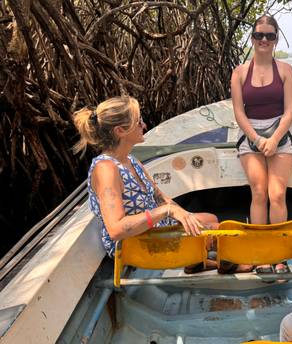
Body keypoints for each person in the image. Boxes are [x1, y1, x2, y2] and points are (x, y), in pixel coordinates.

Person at [73, 96, 228, 273]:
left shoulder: (131, 160)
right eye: (138, 121)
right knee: (217, 232)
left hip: (153, 231)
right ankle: (223, 261)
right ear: (120, 131)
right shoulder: (106, 169)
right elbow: (116, 229)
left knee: (209, 219)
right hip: (136, 244)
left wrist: (183, 215)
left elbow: (161, 198)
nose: (144, 125)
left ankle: (194, 262)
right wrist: (166, 211)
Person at [231, 15, 292, 274]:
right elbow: (239, 112)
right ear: (252, 38)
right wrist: (258, 140)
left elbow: (290, 111)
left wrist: (273, 139)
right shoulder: (239, 73)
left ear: (276, 39)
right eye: (259, 35)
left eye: (269, 36)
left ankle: (278, 254)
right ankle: (261, 253)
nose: (264, 40)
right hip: (251, 135)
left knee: (277, 194)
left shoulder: (285, 71)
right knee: (259, 192)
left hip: (280, 135)